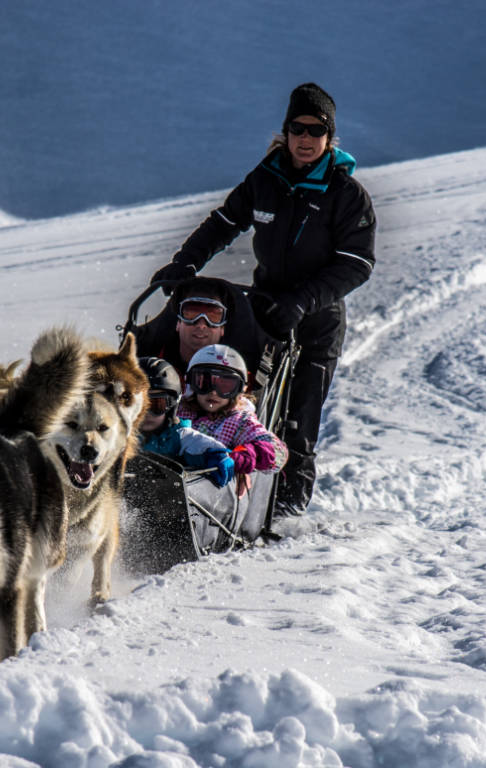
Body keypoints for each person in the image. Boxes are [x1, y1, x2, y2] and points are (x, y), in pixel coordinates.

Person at [150, 82, 376, 516]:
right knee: (236, 398)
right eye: (298, 128)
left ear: (330, 137)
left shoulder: (346, 194)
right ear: (286, 130)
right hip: (263, 314)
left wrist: (303, 301)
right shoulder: (265, 179)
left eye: (316, 130)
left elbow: (356, 263)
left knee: (298, 421)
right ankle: (218, 499)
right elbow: (223, 223)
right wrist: (185, 264)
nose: (305, 139)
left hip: (316, 321)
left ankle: (285, 516)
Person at [176, 344, 288, 481]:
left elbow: (278, 452)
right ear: (191, 382)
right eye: (204, 382)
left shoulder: (239, 421)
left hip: (207, 491)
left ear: (238, 390)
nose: (213, 392)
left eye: (224, 386)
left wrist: (245, 455)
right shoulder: (177, 409)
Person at [133, 275, 266, 384]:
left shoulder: (237, 375)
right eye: (191, 314)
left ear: (222, 328)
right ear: (178, 323)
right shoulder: (148, 368)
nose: (201, 325)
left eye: (213, 316)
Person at [137, 356, 235, 487]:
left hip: (164, 498)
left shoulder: (179, 436)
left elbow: (201, 445)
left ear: (171, 405)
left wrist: (217, 456)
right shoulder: (116, 434)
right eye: (138, 405)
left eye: (157, 404)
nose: (146, 413)